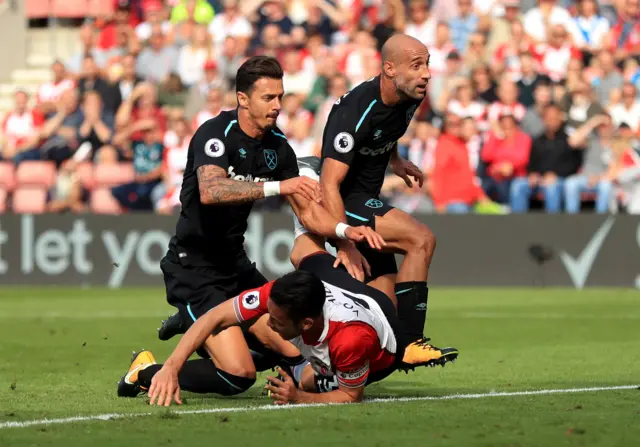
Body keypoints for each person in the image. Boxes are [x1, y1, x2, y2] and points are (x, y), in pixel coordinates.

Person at [128, 56, 385, 399]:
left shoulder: (277, 147)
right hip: (194, 270)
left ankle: (199, 328)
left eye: (280, 96)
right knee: (238, 375)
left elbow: (308, 213)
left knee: (294, 351)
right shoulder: (215, 135)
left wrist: (343, 233)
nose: (278, 106)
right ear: (243, 99)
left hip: (236, 267)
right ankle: (145, 371)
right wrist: (279, 187)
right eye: (268, 98)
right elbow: (211, 190)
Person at [122, 184, 456, 406]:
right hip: (344, 294)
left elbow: (351, 396)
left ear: (306, 323)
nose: (269, 318)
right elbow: (215, 315)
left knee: (305, 377)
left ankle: (155, 362)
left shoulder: (348, 343)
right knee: (303, 250)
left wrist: (300, 398)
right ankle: (170, 347)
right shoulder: (284, 292)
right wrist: (340, 237)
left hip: (379, 344)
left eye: (278, 319)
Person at [319, 33, 457, 363]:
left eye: (427, 65)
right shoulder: (355, 112)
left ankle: (334, 366)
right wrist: (344, 242)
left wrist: (395, 160)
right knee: (420, 240)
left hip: (366, 197)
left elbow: (387, 129)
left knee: (385, 314)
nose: (426, 73)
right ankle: (413, 343)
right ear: (390, 69)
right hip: (345, 201)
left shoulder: (411, 96)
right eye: (417, 65)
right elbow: (329, 185)